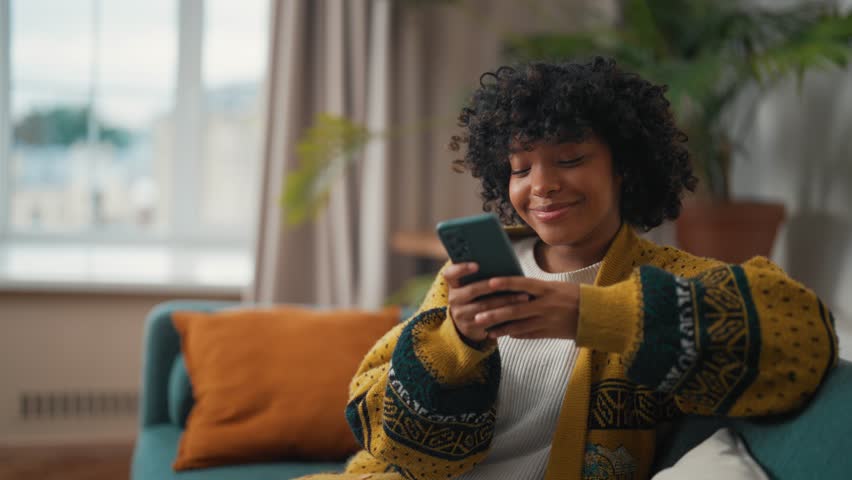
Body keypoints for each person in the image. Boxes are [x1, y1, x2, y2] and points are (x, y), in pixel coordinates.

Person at [302, 57, 839, 480]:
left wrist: (589, 314)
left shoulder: (674, 281)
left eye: (570, 159)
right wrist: (457, 344)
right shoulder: (465, 277)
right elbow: (390, 440)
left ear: (625, 167)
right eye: (520, 167)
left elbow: (804, 340)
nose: (541, 185)